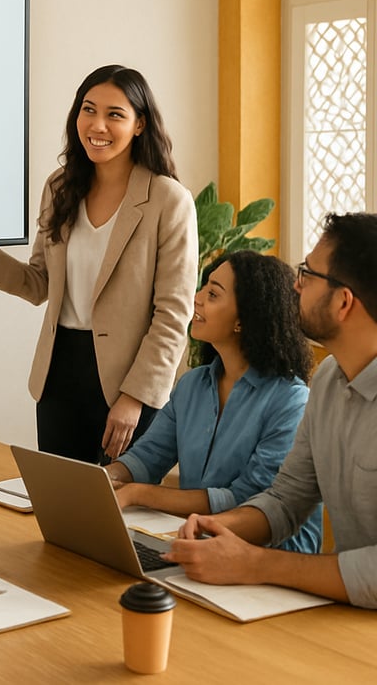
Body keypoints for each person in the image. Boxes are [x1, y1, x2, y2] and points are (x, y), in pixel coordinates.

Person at [0, 64, 198, 463]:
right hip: (59, 374)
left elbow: (173, 313)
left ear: (140, 125)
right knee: (65, 504)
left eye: (115, 114)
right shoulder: (61, 186)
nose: (97, 124)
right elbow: (39, 284)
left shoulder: (168, 199)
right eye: (89, 109)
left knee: (121, 512)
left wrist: (134, 397)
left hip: (128, 380)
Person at [164, 212, 377, 609]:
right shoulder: (329, 378)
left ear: (343, 301)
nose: (295, 284)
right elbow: (285, 500)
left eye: (308, 274)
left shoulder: (295, 392)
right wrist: (216, 527)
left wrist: (256, 563)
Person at [106, 250, 321, 553]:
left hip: (273, 562)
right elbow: (148, 457)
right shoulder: (193, 385)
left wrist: (136, 494)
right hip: (201, 545)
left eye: (213, 294)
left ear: (243, 320)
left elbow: (245, 500)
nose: (197, 298)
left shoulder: (291, 401)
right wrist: (105, 480)